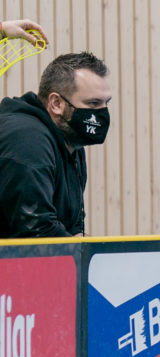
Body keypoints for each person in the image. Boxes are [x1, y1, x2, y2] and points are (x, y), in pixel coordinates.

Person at [0, 52, 111, 238]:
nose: (102, 113)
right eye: (93, 103)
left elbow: (73, 224)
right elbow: (36, 232)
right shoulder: (27, 141)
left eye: (105, 103)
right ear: (56, 103)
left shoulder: (70, 141)